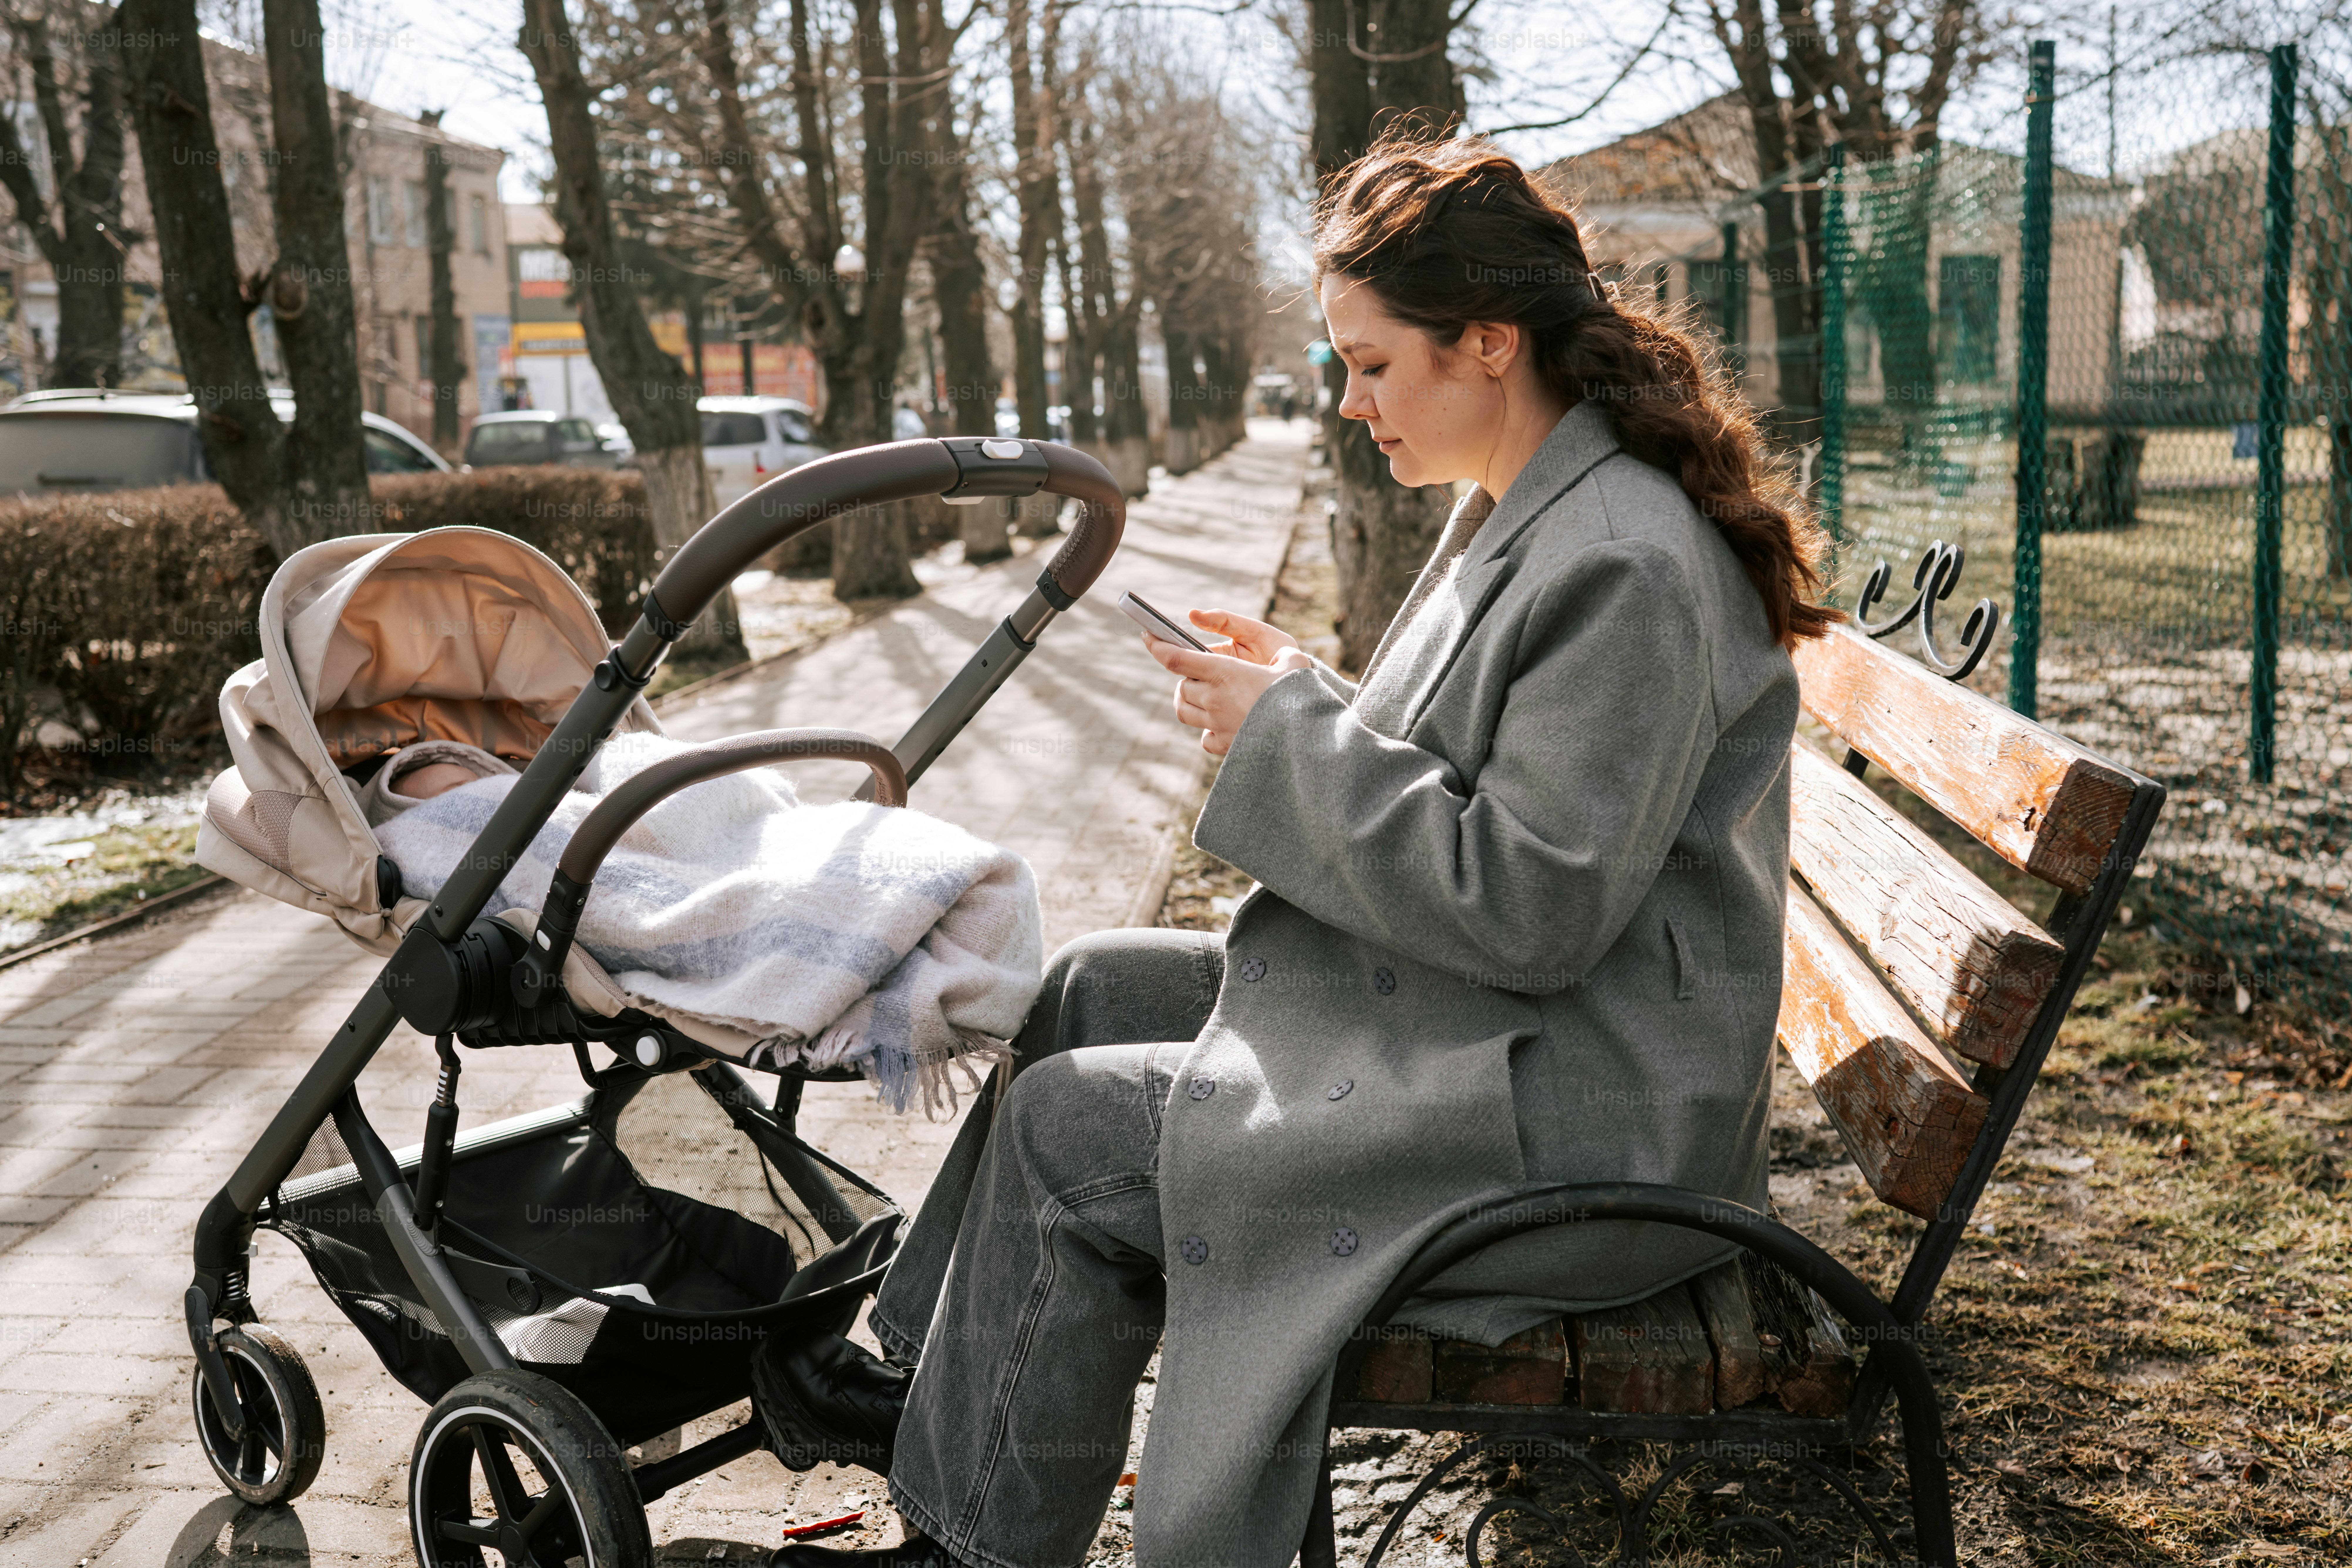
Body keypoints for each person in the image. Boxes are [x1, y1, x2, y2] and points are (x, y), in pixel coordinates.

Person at [754, 132, 1839, 1568]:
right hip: (1524, 1053)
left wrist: (1286, 737)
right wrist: (1307, 693)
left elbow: (1530, 909)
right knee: (1085, 987)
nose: (1348, 400)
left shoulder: (1622, 562)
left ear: (1491, 343)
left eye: (1375, 363)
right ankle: (915, 1385)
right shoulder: (1540, 504)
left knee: (1068, 1132)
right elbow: (1482, 780)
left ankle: (966, 1540)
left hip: (1578, 1131)